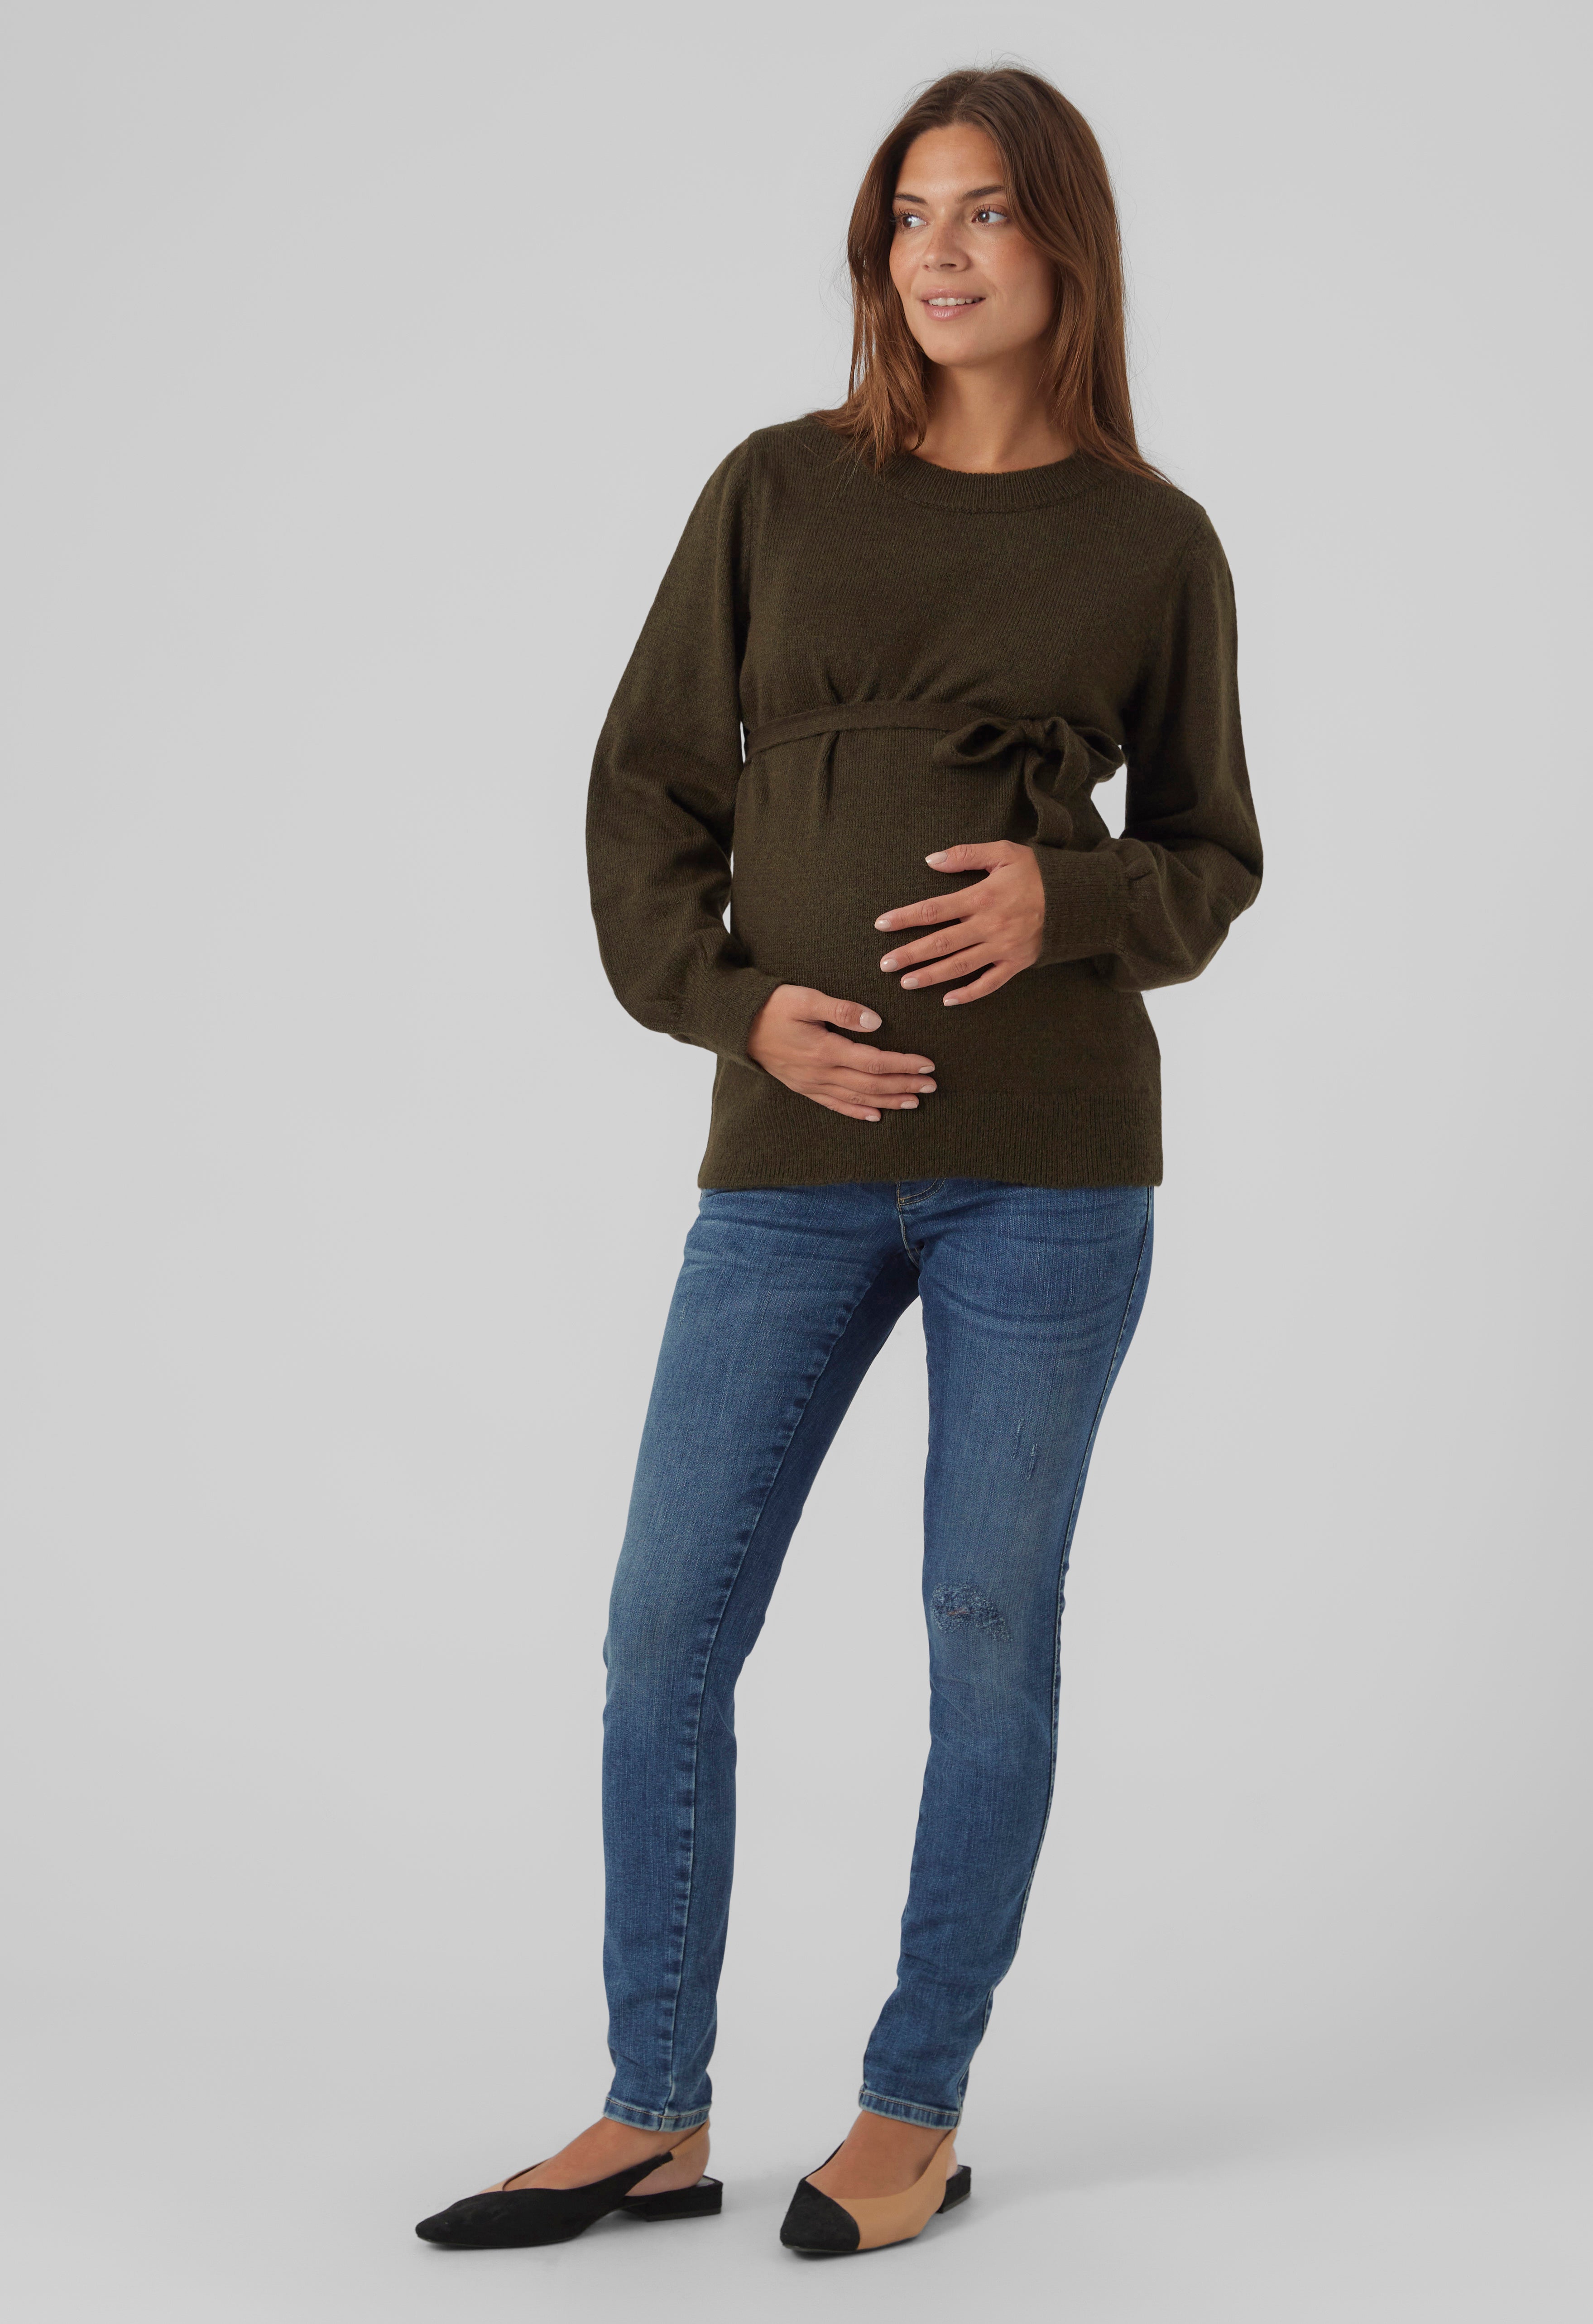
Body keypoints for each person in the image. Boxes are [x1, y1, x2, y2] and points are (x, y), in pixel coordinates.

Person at [415, 62, 1262, 2260]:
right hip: (787, 1155)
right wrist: (731, 1003)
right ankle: (652, 2112)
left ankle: (913, 2106)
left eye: (985, 211)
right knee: (662, 1627)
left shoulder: (1151, 540)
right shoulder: (778, 490)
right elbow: (642, 788)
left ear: (1064, 241)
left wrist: (1066, 901)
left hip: (1048, 1165)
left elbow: (1211, 855)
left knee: (985, 1627)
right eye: (908, 214)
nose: (940, 251)